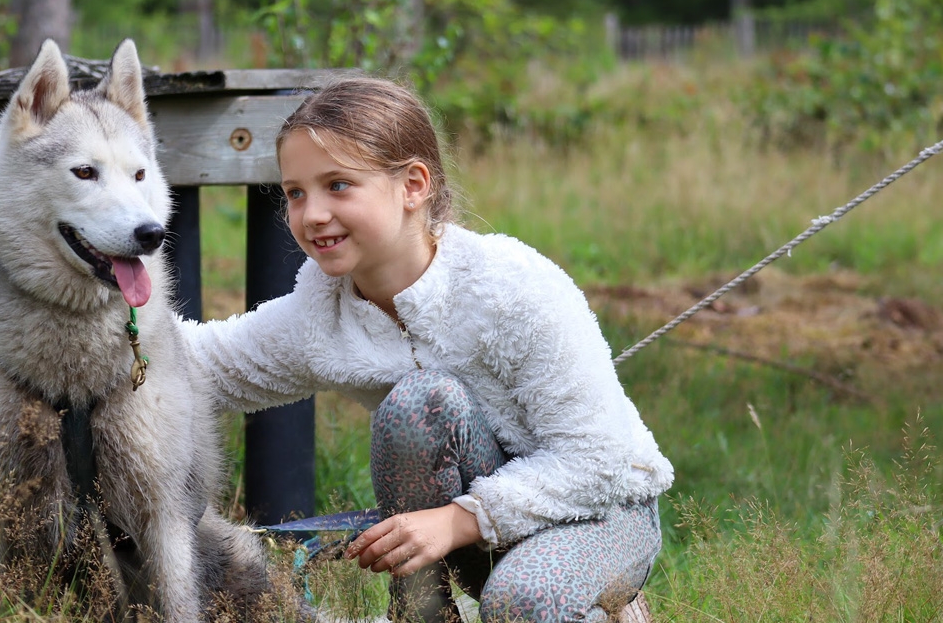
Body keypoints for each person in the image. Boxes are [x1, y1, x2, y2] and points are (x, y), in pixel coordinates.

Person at [182, 76, 674, 623]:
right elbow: (199, 362)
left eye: (338, 185)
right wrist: (91, 315)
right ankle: (422, 614)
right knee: (420, 404)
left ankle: (610, 610)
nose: (312, 213)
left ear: (413, 184)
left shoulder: (512, 287)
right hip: (470, 529)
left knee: (523, 601)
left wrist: (458, 521)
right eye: (295, 192)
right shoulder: (322, 312)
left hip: (599, 511)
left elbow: (598, 463)